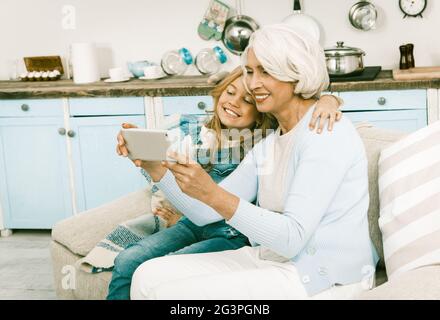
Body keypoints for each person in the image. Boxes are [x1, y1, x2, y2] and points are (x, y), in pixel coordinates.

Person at [129, 24, 379, 300]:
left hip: (324, 275)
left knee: (173, 295)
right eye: (250, 71)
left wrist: (212, 192)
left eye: (266, 71)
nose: (253, 83)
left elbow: (292, 236)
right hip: (273, 258)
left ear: (296, 73)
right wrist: (154, 168)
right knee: (147, 275)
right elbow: (204, 213)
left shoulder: (324, 133)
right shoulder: (269, 144)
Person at [107, 67, 343, 300]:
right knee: (128, 260)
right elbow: (183, 191)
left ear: (261, 108)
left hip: (230, 234)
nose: (234, 102)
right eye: (230, 92)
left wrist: (329, 100)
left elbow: (299, 106)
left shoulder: (265, 144)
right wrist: (147, 154)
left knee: (165, 272)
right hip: (191, 224)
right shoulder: (199, 135)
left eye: (247, 100)